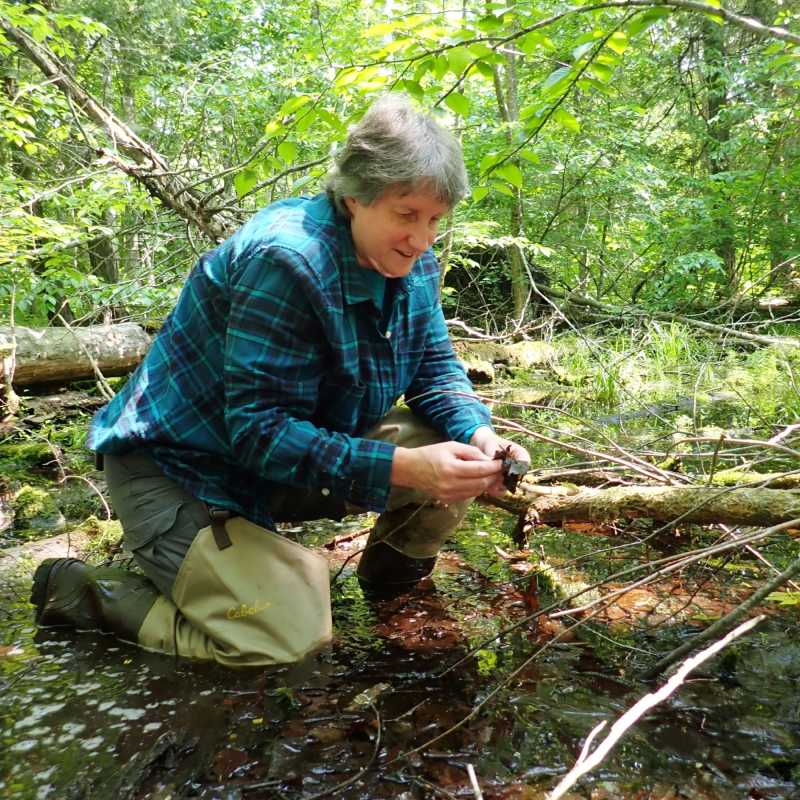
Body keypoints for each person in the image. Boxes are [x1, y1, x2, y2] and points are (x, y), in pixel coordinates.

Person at [30, 95, 529, 666]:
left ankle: (391, 598)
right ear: (354, 197)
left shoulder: (413, 266)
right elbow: (258, 432)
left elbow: (435, 370)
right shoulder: (288, 261)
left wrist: (481, 435)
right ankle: (88, 594)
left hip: (276, 457)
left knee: (448, 453)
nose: (422, 238)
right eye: (406, 214)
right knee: (285, 638)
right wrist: (403, 468)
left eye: (436, 219)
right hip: (181, 471)